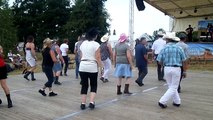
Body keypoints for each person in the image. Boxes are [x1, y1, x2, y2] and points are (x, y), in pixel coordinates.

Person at [157, 33, 187, 108]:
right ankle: (162, 101)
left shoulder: (163, 48)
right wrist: (185, 71)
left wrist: (164, 64)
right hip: (176, 68)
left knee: (171, 86)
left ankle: (177, 101)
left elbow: (159, 61)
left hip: (166, 68)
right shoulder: (179, 48)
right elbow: (184, 60)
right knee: (173, 87)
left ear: (167, 40)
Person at [79, 28, 102, 110]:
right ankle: (91, 102)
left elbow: (81, 56)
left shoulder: (83, 43)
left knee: (84, 85)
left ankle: (83, 103)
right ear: (95, 36)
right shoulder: (96, 45)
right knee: (93, 84)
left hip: (82, 66)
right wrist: (101, 67)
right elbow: (98, 57)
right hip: (92, 66)